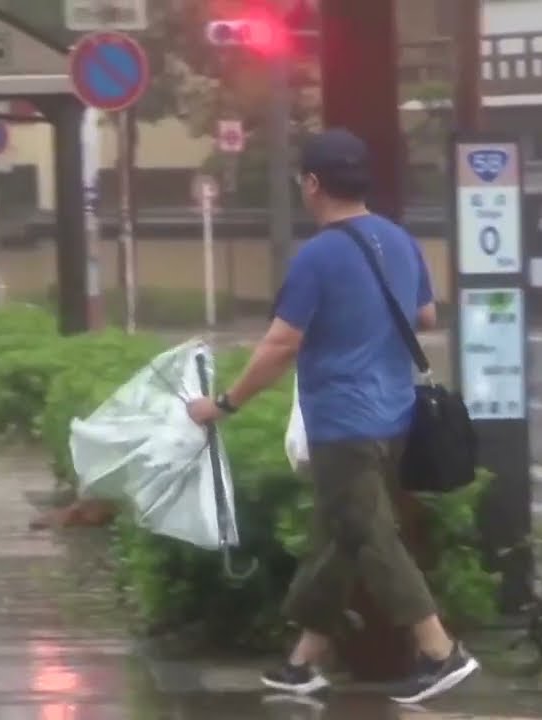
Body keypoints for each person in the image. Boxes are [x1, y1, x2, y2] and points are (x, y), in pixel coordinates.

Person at [186, 128, 479, 705]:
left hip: (343, 423)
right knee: (340, 537)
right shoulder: (397, 240)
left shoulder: (317, 256)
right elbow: (423, 315)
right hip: (394, 416)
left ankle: (442, 651)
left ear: (314, 184)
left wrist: (221, 405)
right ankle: (302, 663)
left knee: (369, 536)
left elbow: (279, 345)